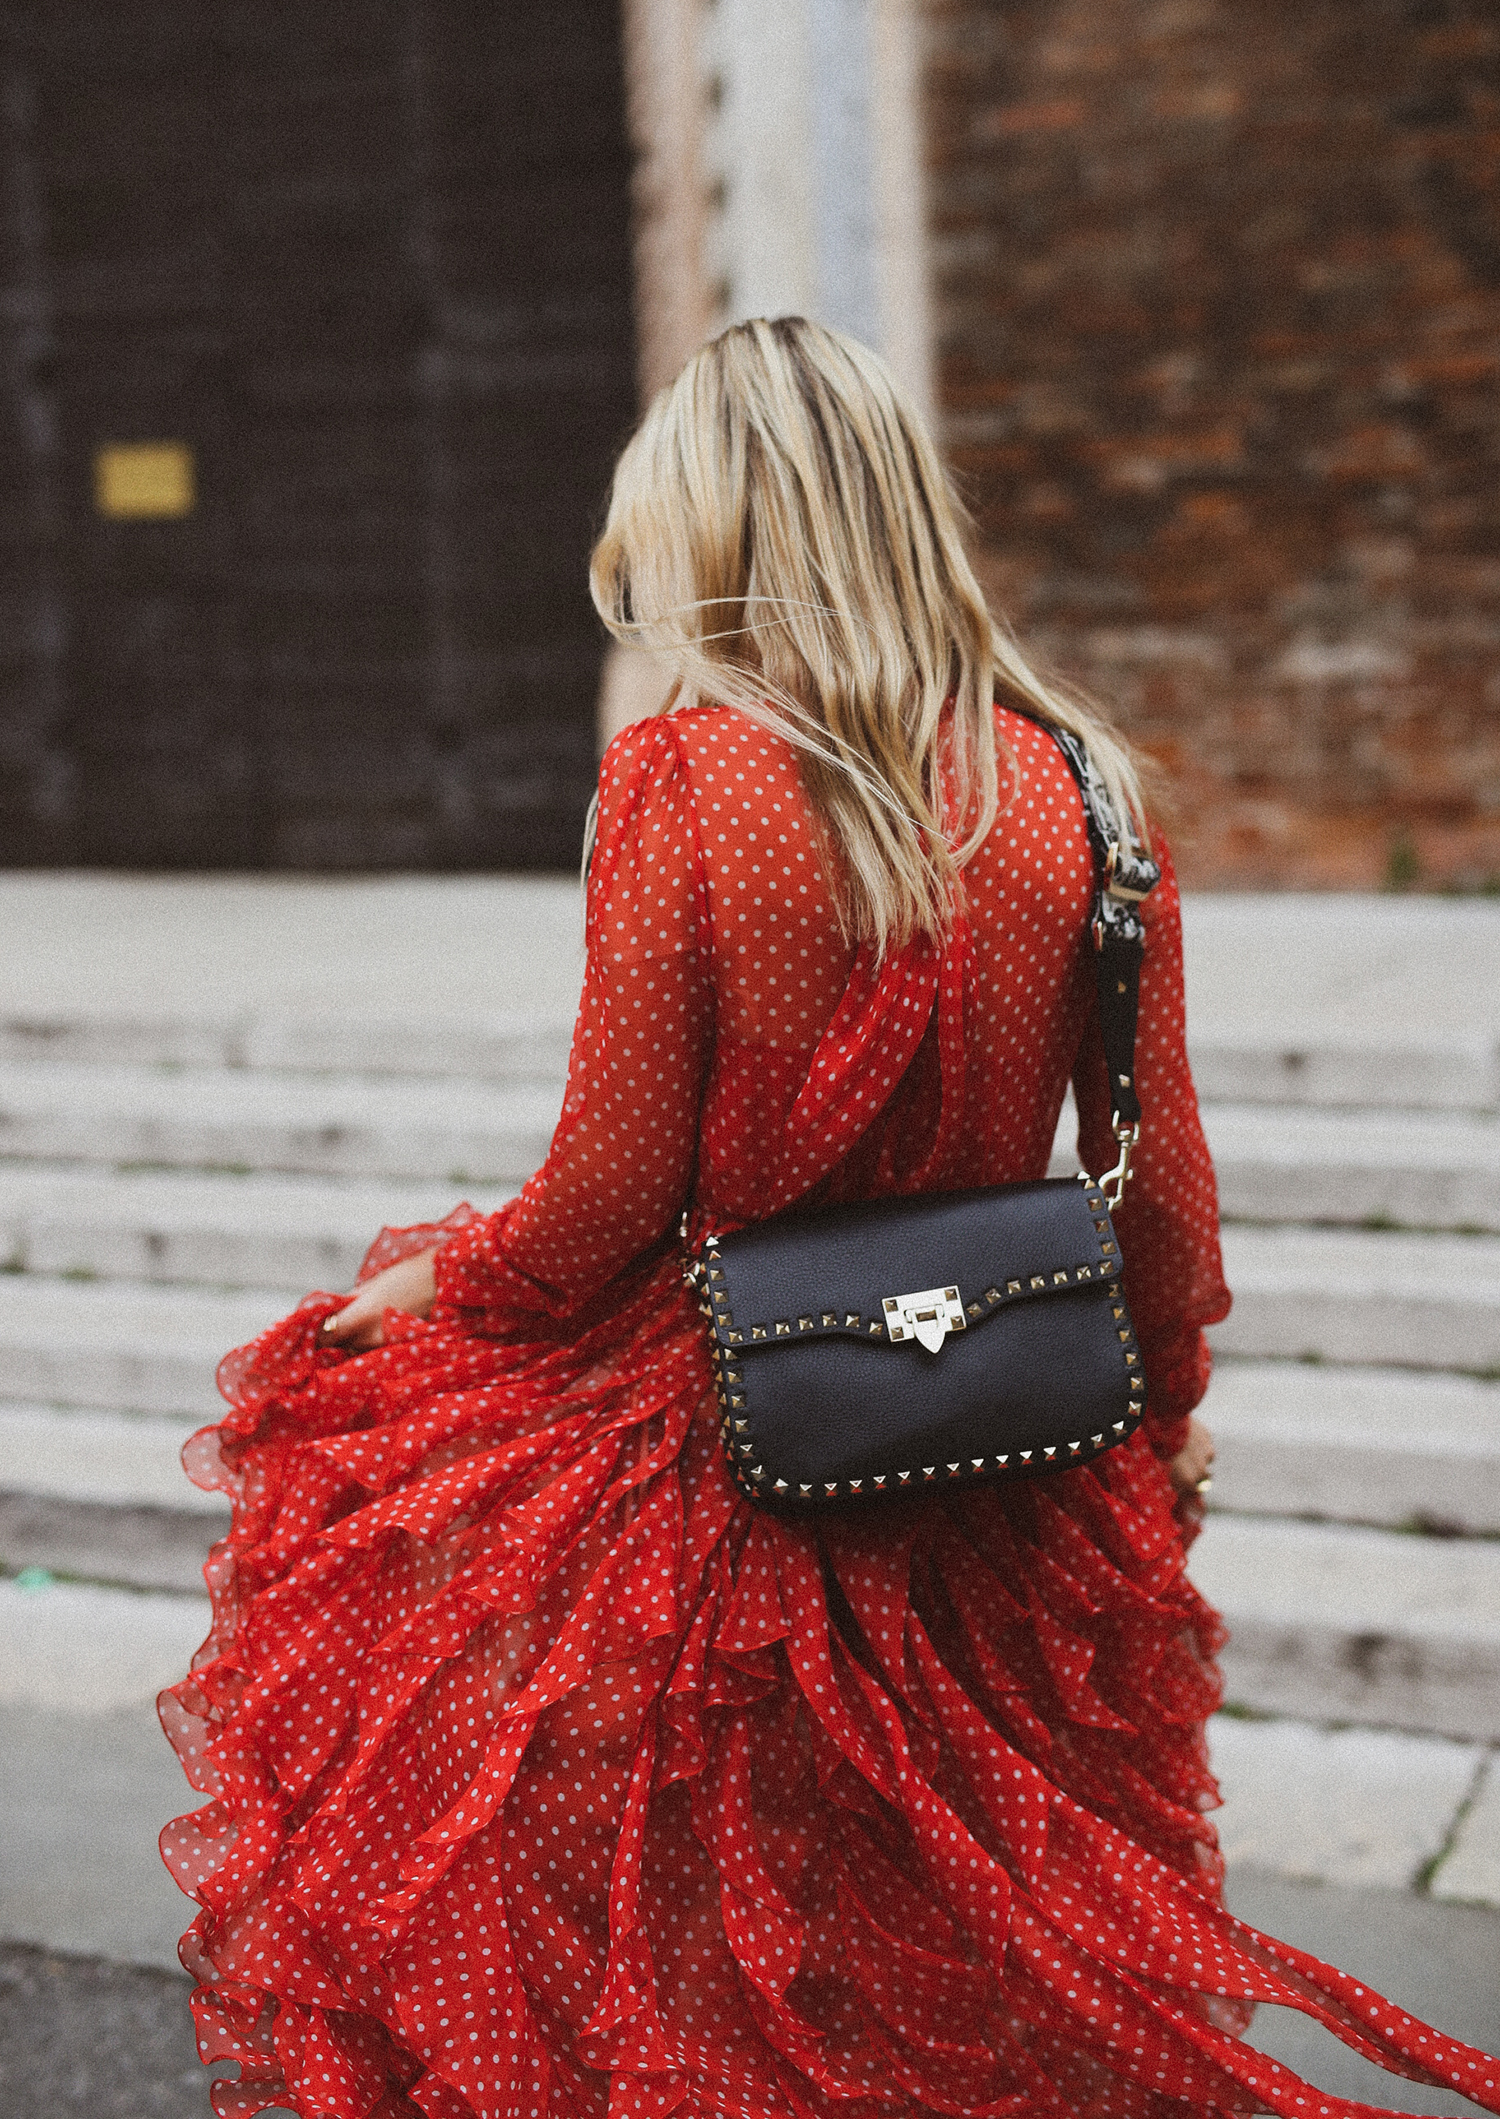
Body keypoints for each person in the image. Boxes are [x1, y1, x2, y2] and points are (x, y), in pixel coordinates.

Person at [160, 319, 1498, 2119]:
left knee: (708, 1973)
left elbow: (608, 1196)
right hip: (1015, 1461)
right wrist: (1157, 1422)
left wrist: (431, 1282)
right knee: (971, 1972)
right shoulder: (1086, 790)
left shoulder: (686, 779)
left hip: (730, 1450)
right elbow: (1161, 1200)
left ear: (722, 528)